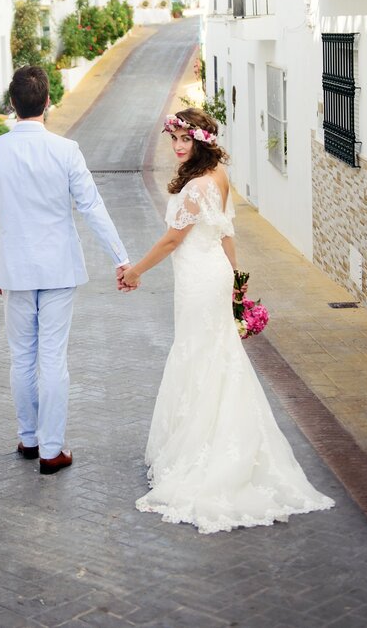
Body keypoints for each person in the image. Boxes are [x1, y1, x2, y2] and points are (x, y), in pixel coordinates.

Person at [118, 107, 334, 532]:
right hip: (213, 274)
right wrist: (236, 282)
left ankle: (203, 449)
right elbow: (227, 232)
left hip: (200, 279)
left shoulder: (198, 186)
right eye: (174, 139)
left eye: (185, 139)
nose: (178, 146)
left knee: (199, 353)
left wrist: (136, 270)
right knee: (217, 354)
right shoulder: (218, 177)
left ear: (202, 141)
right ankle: (220, 438)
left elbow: (173, 238)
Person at [0, 65, 133, 475]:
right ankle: (51, 449)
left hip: (13, 269)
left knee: (21, 356)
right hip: (59, 267)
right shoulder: (66, 151)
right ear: (47, 102)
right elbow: (92, 207)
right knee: (52, 359)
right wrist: (120, 256)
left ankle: (29, 440)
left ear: (12, 104)